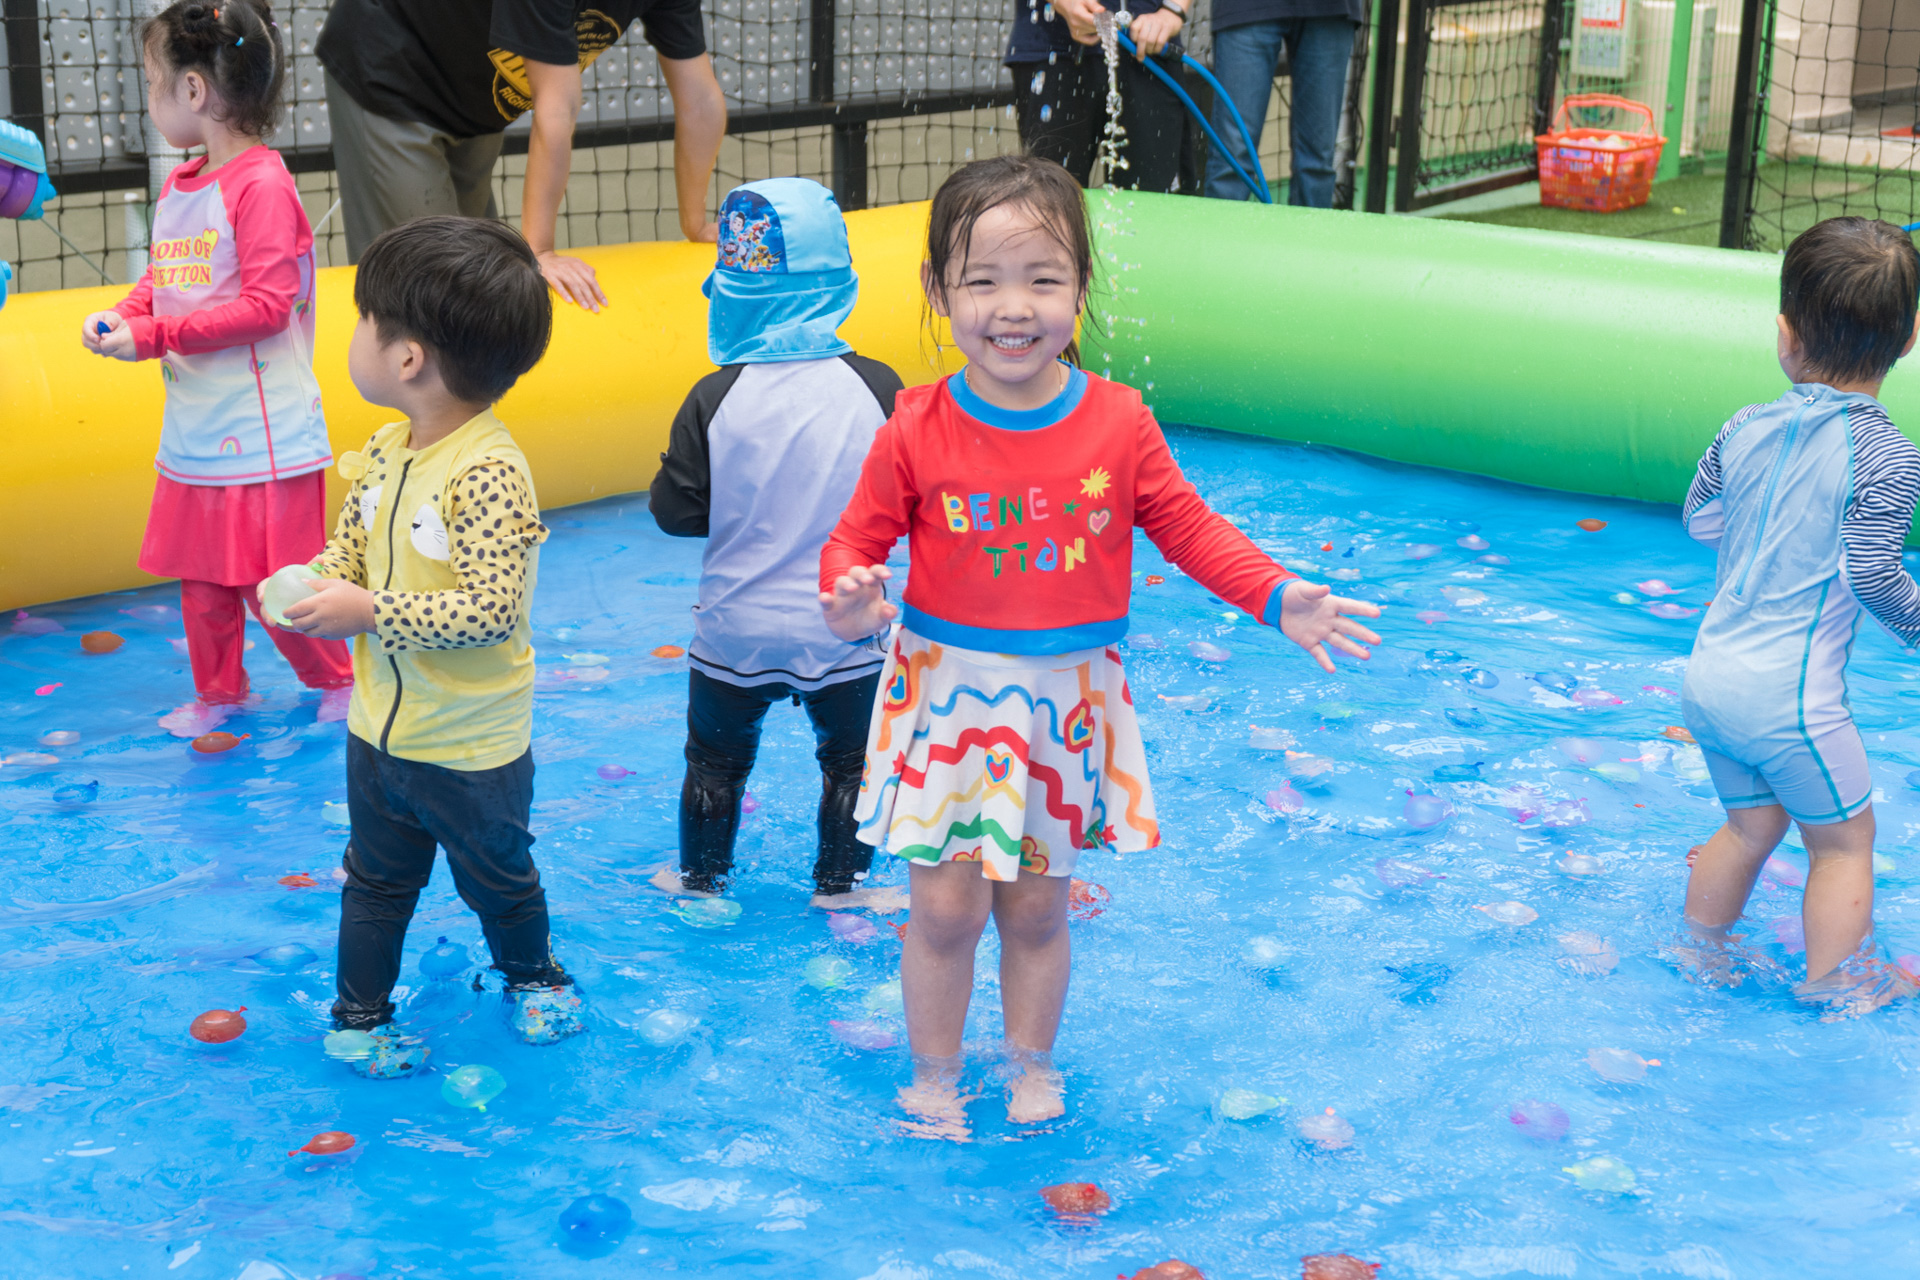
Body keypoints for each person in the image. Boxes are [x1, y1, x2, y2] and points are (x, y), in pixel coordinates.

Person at [818, 155, 1383, 1135]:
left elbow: (1188, 526)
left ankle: (1030, 1062)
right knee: (944, 912)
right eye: (983, 280)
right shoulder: (917, 424)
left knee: (1038, 909)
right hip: (947, 698)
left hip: (1061, 704)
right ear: (939, 291)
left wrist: (1274, 594)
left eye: (1043, 278)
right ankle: (936, 1075)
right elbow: (852, 545)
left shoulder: (1117, 421)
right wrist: (847, 600)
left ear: (1080, 288)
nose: (1014, 306)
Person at [278, 216, 582, 1072]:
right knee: (374, 884)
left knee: (500, 879)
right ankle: (360, 1018)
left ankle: (534, 978)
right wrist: (315, 582)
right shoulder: (386, 450)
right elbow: (351, 548)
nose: (355, 336)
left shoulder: (487, 472)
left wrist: (370, 610)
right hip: (379, 734)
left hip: (470, 747)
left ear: (407, 357)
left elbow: (492, 609)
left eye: (365, 321)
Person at [82, 0, 353, 740]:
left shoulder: (261, 185)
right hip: (196, 434)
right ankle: (220, 695)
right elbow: (164, 279)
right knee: (202, 582)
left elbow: (267, 306)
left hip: (266, 440)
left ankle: (337, 680)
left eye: (152, 84)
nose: (150, 100)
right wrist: (124, 315)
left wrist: (155, 335)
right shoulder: (183, 185)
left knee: (280, 585)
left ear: (194, 90)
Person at [1676, 216, 1920, 1015]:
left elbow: (1701, 521)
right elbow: (1871, 571)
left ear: (1785, 335)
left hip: (1710, 680)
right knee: (1845, 843)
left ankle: (1698, 950)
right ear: (1909, 338)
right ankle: (1835, 983)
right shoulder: (1890, 456)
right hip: (1791, 705)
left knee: (1750, 827)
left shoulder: (1742, 426)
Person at [648, 178, 905, 906]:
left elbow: (673, 513)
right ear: (840, 280)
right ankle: (840, 887)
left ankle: (701, 882)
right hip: (844, 618)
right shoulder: (877, 386)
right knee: (852, 764)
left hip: (736, 624)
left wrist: (742, 507)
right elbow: (912, 496)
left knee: (715, 764)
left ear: (731, 291)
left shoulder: (715, 395)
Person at [316, 0, 727, 309]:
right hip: (392, 70)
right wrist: (539, 252)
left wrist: (694, 222)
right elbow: (557, 108)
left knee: (476, 273)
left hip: (474, 103)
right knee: (423, 278)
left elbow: (700, 99)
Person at [1007, 0, 1197, 194]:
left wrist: (1172, 11)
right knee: (1050, 198)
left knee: (1154, 200)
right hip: (1051, 47)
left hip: (1153, 46)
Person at [1203, 0, 1362, 208]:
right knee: (1231, 160)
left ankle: (1306, 231)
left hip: (1331, 9)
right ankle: (1222, 230)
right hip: (1245, 7)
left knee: (1317, 166)